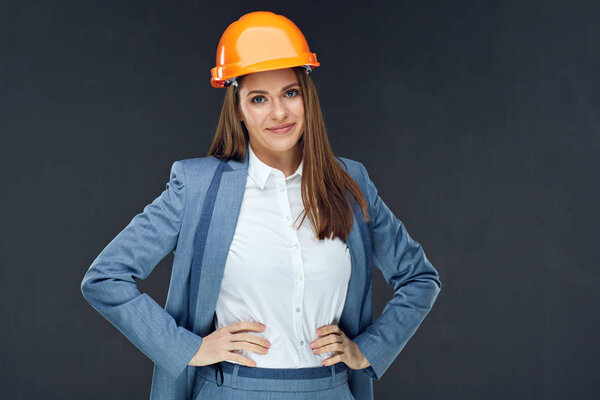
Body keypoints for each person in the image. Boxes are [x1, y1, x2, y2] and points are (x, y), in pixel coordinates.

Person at [80, 11, 442, 400]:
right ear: (237, 108)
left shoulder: (351, 184)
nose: (279, 113)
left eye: (290, 92)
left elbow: (420, 279)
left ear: (307, 96)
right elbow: (106, 278)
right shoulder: (197, 186)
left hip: (331, 391)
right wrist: (189, 348)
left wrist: (367, 349)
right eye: (258, 99)